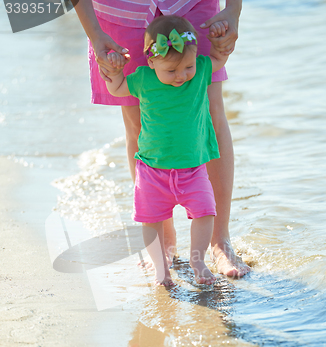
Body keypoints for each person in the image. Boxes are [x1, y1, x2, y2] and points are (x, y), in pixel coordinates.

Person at [73, 0, 250, 278]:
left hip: (192, 5)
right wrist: (95, 34)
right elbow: (119, 87)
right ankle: (163, 241)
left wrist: (234, 9)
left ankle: (219, 241)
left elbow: (217, 59)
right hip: (121, 10)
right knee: (137, 125)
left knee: (210, 113)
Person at [105, 15, 227, 286]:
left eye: (187, 66)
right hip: (152, 171)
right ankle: (161, 269)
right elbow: (117, 89)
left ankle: (198, 260)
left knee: (206, 212)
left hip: (193, 169)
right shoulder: (143, 79)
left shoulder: (201, 71)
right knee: (151, 221)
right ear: (151, 62)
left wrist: (220, 41)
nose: (181, 76)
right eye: (171, 71)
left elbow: (218, 60)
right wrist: (114, 73)